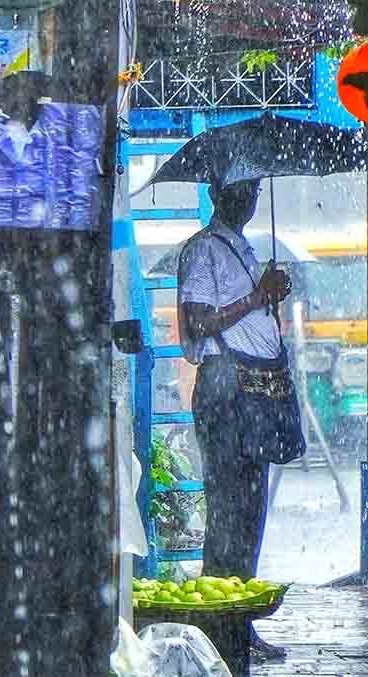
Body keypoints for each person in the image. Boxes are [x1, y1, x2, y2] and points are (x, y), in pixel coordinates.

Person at [178, 179, 293, 661]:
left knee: (250, 511)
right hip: (227, 393)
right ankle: (219, 630)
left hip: (254, 392)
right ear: (214, 194)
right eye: (239, 188)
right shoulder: (204, 250)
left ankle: (239, 623)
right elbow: (197, 323)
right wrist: (255, 298)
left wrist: (268, 297)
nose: (248, 197)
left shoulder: (243, 249)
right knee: (229, 512)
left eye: (253, 188)